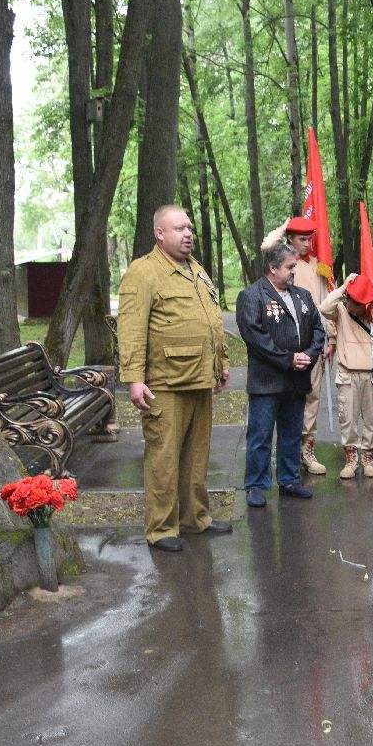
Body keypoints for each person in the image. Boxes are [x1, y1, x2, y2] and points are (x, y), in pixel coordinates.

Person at [117, 205, 232, 551]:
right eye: (179, 228)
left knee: (197, 455)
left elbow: (211, 321)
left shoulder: (195, 269)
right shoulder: (144, 272)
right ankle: (162, 529)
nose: (188, 234)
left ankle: (194, 518)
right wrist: (134, 378)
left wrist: (221, 362)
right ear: (160, 233)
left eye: (190, 228)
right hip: (164, 384)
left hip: (198, 378)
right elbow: (131, 328)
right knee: (164, 458)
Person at [236, 242, 326, 506]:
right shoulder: (252, 296)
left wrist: (309, 355)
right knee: (260, 435)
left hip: (297, 379)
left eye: (294, 266)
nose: (293, 272)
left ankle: (288, 480)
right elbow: (254, 336)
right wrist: (288, 359)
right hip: (267, 380)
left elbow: (318, 330)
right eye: (289, 267)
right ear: (273, 268)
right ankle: (255, 484)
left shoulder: (302, 296)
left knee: (291, 433)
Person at [261, 214, 332, 477]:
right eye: (302, 239)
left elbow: (325, 303)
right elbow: (266, 246)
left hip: (312, 344)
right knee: (281, 400)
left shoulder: (318, 266)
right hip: (284, 345)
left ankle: (306, 448)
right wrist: (284, 226)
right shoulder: (279, 261)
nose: (308, 244)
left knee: (312, 397)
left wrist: (330, 337)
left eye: (311, 238)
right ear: (289, 238)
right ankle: (284, 452)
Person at [318, 274, 373, 480]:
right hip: (348, 373)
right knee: (348, 418)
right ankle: (351, 457)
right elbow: (324, 308)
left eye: (360, 304)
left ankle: (368, 457)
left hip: (371, 374)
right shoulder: (340, 311)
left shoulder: (370, 312)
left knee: (371, 419)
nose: (355, 307)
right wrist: (343, 287)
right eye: (353, 302)